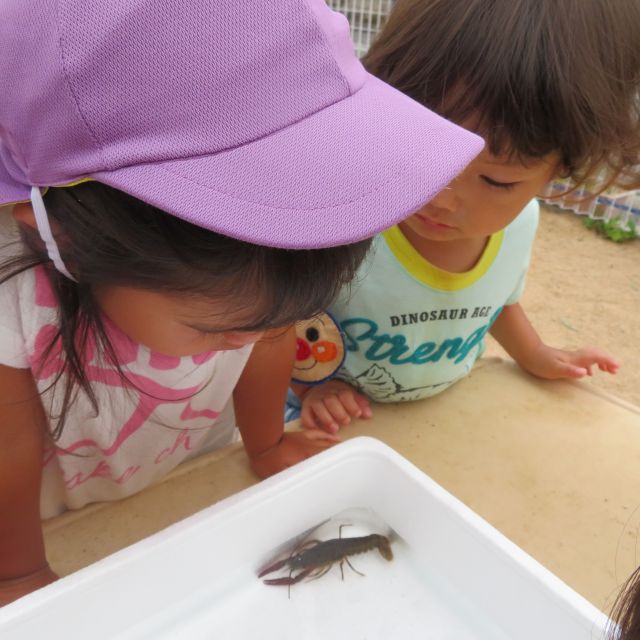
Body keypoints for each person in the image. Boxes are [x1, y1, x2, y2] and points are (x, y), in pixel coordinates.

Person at [0, 0, 483, 604]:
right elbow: (8, 448)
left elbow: (269, 338)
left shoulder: (249, 290)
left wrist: (267, 444)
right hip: (61, 520)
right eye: (222, 331)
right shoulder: (15, 305)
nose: (254, 341)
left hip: (195, 481)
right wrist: (17, 573)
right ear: (67, 243)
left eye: (274, 322)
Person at [295, 0, 639, 432]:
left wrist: (535, 354)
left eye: (496, 182)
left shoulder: (519, 224)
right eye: (420, 150)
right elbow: (281, 321)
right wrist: (313, 390)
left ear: (559, 169)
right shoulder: (347, 217)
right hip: (334, 424)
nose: (440, 198)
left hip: (441, 420)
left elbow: (492, 302)